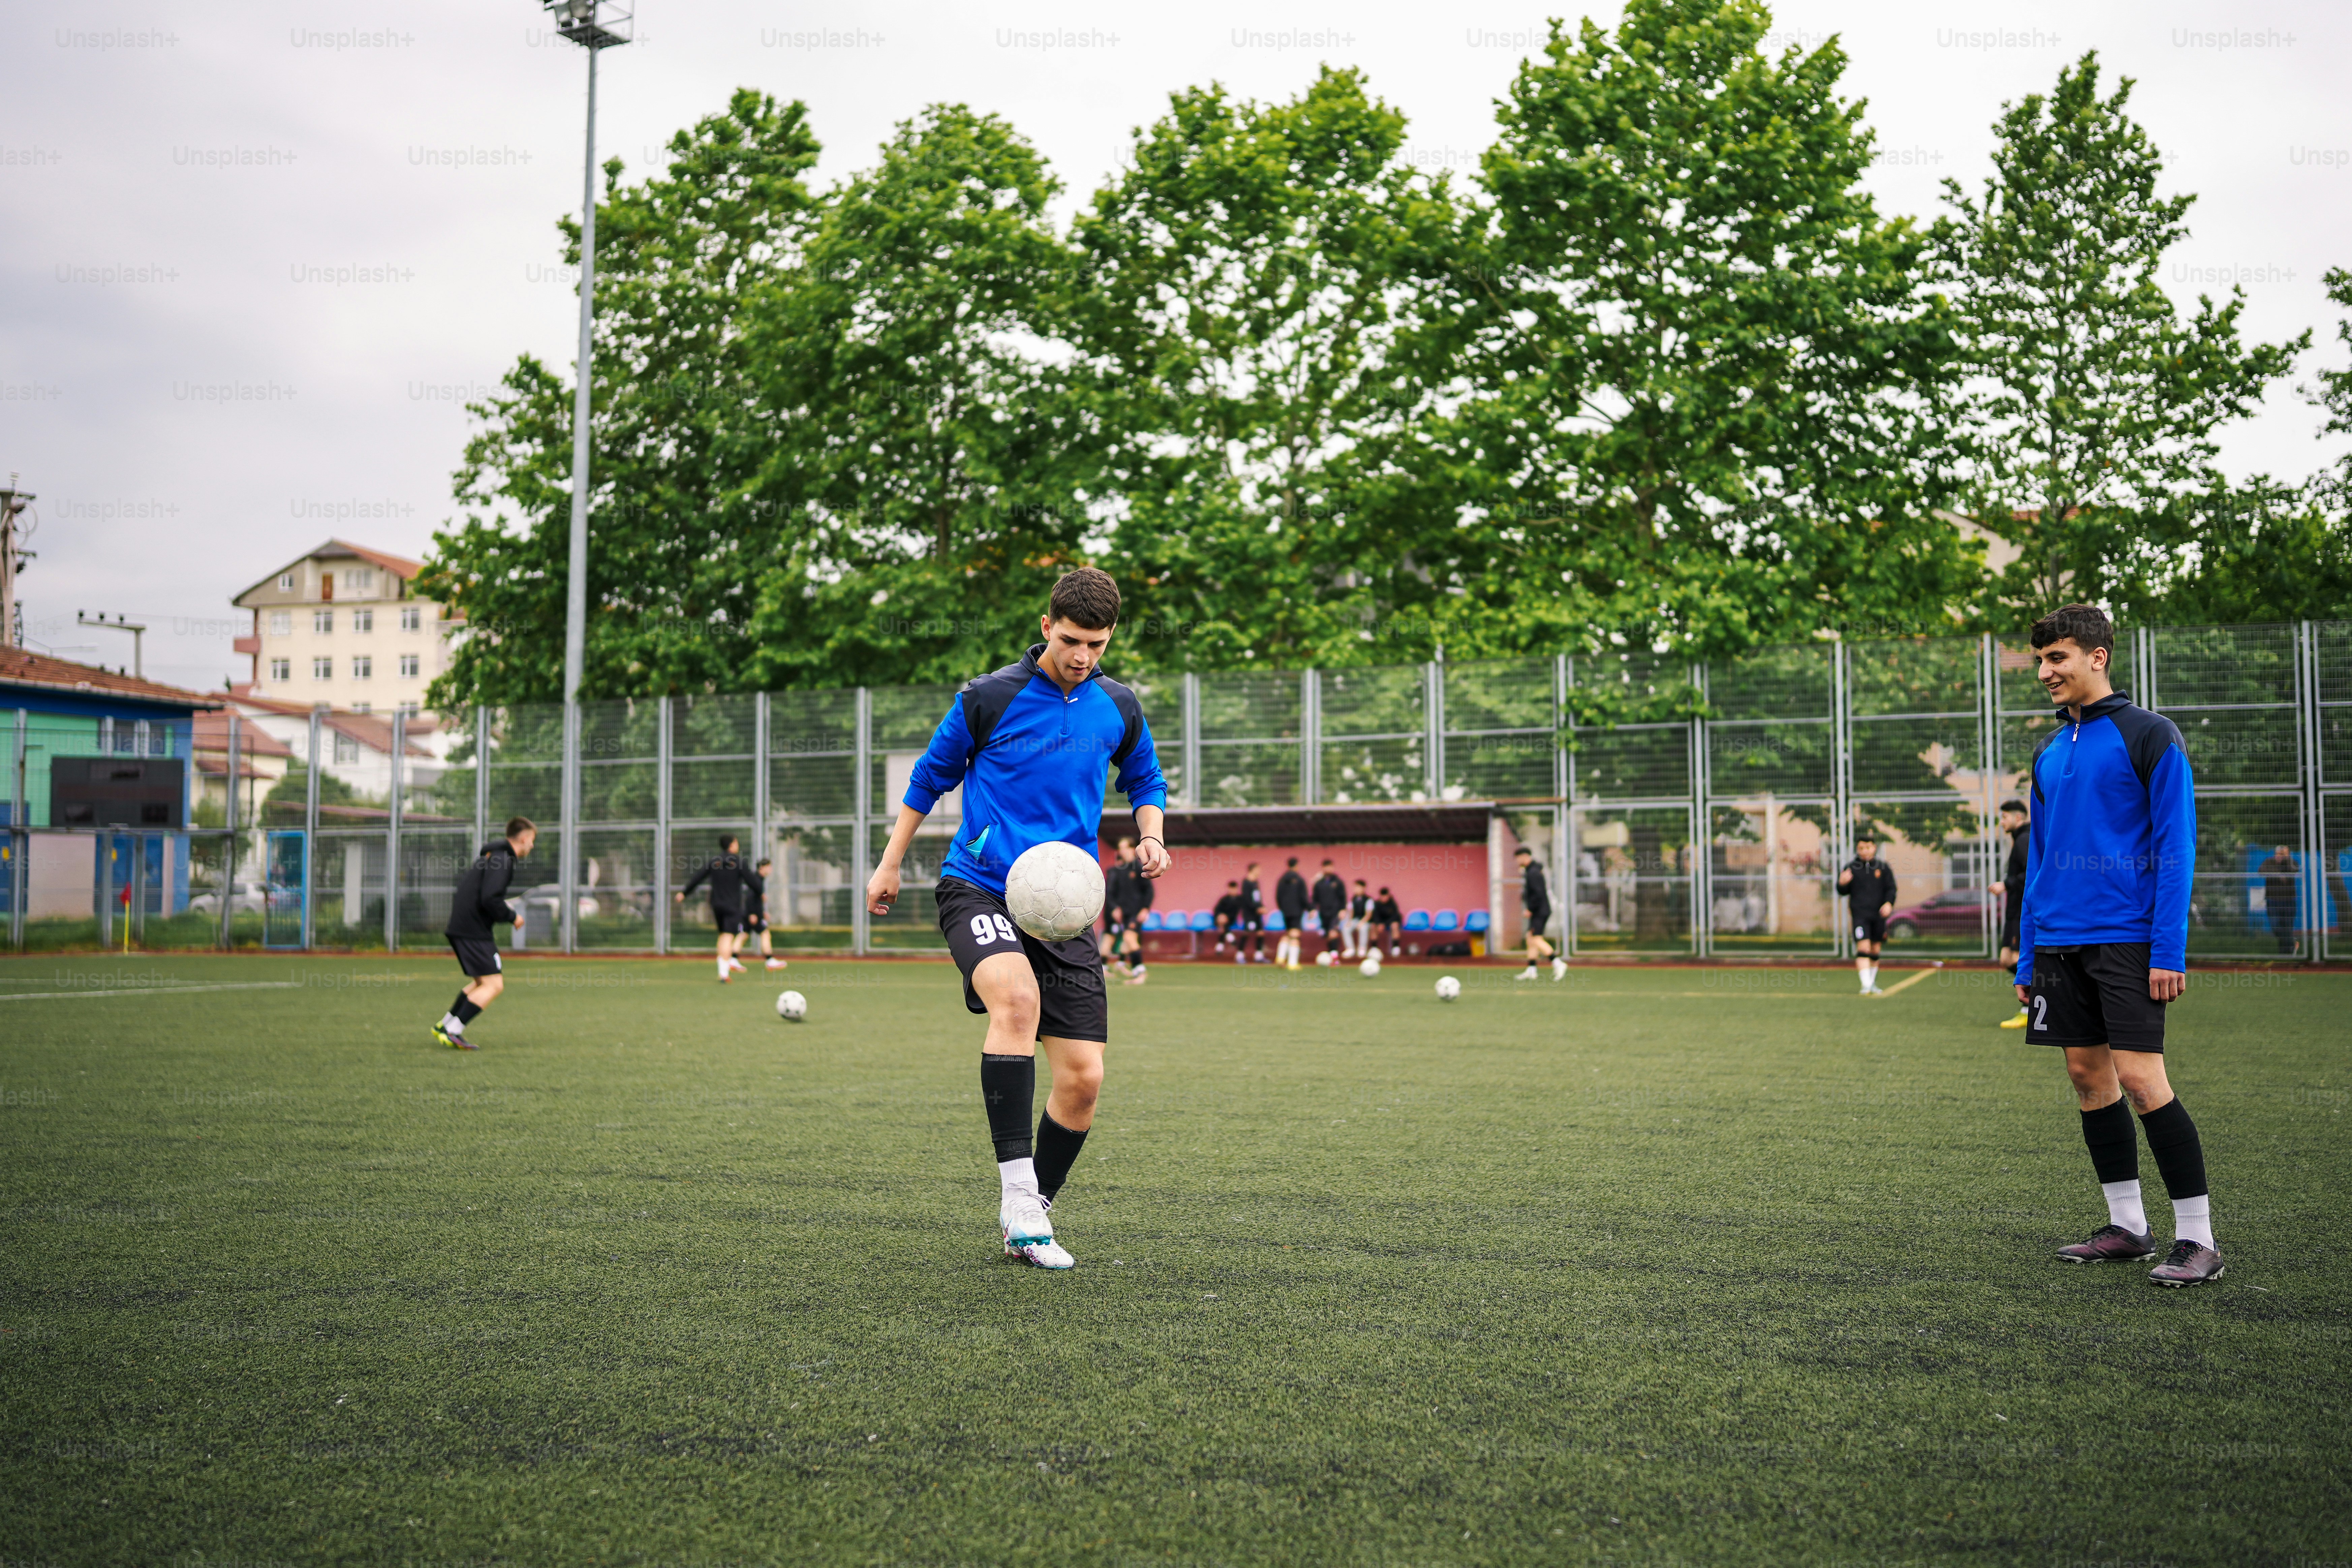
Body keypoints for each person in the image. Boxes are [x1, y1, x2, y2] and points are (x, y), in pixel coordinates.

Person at [865, 567, 1170, 1271]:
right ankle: (1019, 1197)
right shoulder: (988, 696)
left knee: (1084, 1078)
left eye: (1097, 644)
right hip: (980, 886)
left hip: (1065, 911)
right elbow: (929, 778)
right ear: (1045, 626)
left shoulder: (1118, 706)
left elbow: (1145, 778)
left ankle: (1031, 1214)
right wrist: (889, 864)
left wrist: (1152, 833)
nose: (1083, 656)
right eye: (1071, 640)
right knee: (1017, 1000)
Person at [2017, 603, 2219, 1286]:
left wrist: (2168, 949)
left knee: (2140, 1080)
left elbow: (2176, 845)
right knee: (2088, 1079)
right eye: (2040, 660)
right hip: (2058, 942)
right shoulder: (2048, 751)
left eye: (2057, 658)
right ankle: (2128, 1226)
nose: (2045, 672)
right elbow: (2040, 859)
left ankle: (2198, 1239)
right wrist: (2027, 954)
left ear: (2097, 656)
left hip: (2127, 939)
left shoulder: (2150, 734)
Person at [433, 817, 535, 1051]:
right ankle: (453, 1031)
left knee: (481, 982)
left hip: (464, 927)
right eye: (532, 840)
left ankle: (445, 1025)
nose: (532, 846)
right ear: (523, 838)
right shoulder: (503, 859)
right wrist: (512, 917)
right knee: (494, 985)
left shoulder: (494, 856)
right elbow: (490, 898)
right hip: (473, 930)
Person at [678, 833, 753, 983]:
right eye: (736, 843)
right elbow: (752, 881)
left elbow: (698, 877)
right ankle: (724, 974)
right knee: (728, 936)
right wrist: (760, 892)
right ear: (732, 845)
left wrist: (684, 893)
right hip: (732, 906)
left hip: (717, 905)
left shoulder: (715, 861)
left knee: (723, 935)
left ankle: (722, 971)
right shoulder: (739, 862)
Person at [1838, 836, 1895, 995]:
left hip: (1878, 915)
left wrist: (1889, 903)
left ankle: (1872, 982)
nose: (1865, 851)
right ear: (1857, 849)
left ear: (1874, 848)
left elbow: (1891, 889)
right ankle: (1866, 985)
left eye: (1868, 848)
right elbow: (1842, 891)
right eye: (1861, 848)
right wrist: (1842, 884)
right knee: (1863, 948)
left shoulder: (1883, 868)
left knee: (1875, 949)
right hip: (1860, 915)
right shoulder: (1851, 868)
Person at [1991, 799, 2030, 1028]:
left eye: (2005, 817)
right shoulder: (2020, 839)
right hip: (2014, 912)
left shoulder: (2024, 839)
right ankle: (2040, 998)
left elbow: (2033, 871)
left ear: (2018, 818)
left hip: (2022, 913)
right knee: (2007, 959)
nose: (2002, 822)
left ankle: (2031, 1008)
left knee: (2017, 960)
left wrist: (2006, 884)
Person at [1100, 836, 1150, 984]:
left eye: (1125, 847)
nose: (1122, 851)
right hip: (1123, 913)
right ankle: (1130, 969)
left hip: (1135, 913)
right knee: (1120, 938)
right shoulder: (1119, 870)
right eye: (1120, 848)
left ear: (1133, 849)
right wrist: (1115, 908)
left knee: (1129, 938)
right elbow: (1111, 893)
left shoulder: (1140, 868)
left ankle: (1138, 972)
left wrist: (1145, 909)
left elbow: (1149, 891)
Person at [1514, 844, 1566, 981]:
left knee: (1536, 939)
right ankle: (1532, 970)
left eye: (1518, 858)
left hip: (1540, 911)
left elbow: (1539, 894)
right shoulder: (1531, 871)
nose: (1517, 861)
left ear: (1525, 857)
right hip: (1539, 910)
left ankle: (1558, 963)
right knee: (1530, 938)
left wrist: (1530, 909)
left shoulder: (1534, 873)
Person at [742, 856, 788, 971]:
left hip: (754, 914)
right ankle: (770, 960)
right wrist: (752, 914)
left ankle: (732, 959)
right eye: (769, 867)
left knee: (743, 935)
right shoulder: (757, 880)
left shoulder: (759, 879)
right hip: (753, 915)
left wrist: (763, 913)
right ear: (762, 868)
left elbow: (756, 899)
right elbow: (750, 897)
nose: (771, 869)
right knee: (765, 934)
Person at [2260, 844, 2299, 955]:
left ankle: (2286, 953)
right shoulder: (2269, 862)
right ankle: (2292, 944)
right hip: (2273, 900)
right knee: (2276, 926)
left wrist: (2287, 860)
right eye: (2278, 854)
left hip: (2289, 900)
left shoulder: (2292, 862)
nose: (2279, 856)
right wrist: (2279, 874)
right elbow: (2262, 871)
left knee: (2288, 927)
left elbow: (2294, 870)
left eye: (2283, 854)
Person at [1273, 856, 1309, 970]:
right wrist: (1310, 908)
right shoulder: (1299, 879)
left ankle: (1280, 957)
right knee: (1295, 935)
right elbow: (1303, 897)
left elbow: (1278, 896)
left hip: (1286, 911)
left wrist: (1283, 908)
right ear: (1297, 865)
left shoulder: (1282, 879)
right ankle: (1292, 963)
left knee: (1288, 933)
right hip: (1296, 910)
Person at [1310, 859, 1348, 964]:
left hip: (1335, 912)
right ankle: (1331, 955)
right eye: (1326, 867)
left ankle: (1335, 958)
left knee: (1333, 933)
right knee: (1328, 935)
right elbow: (1315, 899)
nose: (1328, 869)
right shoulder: (1319, 883)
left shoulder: (1338, 882)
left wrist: (1343, 910)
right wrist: (1313, 909)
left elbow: (1343, 897)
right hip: (1324, 913)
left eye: (1330, 867)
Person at [1236, 860, 1268, 963]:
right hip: (1249, 913)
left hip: (1257, 913)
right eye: (1258, 869)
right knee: (1248, 932)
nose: (1260, 872)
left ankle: (1259, 956)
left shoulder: (1256, 883)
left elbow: (1257, 898)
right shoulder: (1246, 883)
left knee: (1260, 933)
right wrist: (1256, 908)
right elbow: (1247, 899)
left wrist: (1262, 907)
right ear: (1253, 870)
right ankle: (1240, 954)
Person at [1211, 879, 1246, 953]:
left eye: (1234, 889)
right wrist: (1221, 916)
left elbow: (1245, 910)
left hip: (1232, 919)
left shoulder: (1240, 899)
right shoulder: (1224, 899)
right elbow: (1217, 910)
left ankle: (1221, 944)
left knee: (1223, 925)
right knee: (1222, 921)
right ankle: (1229, 937)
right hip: (1221, 919)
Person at [1369, 885, 1403, 957]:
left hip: (1390, 922)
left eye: (1386, 896)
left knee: (1395, 925)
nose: (1384, 898)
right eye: (1383, 896)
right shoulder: (1377, 904)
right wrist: (1379, 924)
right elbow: (1375, 916)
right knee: (1373, 926)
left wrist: (1385, 924)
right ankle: (1374, 948)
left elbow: (1395, 916)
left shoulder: (1393, 904)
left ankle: (1396, 947)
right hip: (1380, 923)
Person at [1345, 878, 1373, 958]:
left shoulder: (1368, 900)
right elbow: (1351, 912)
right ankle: (1350, 949)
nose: (1356, 889)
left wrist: (1362, 922)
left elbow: (1369, 914)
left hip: (1365, 921)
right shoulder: (1353, 899)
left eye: (1358, 887)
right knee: (1346, 928)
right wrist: (1349, 921)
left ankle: (1362, 949)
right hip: (1355, 920)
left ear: (1363, 888)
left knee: (1363, 928)